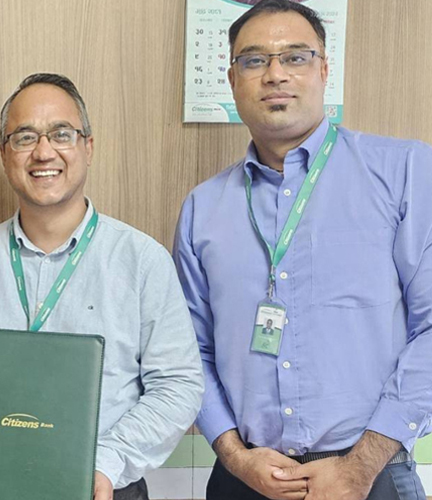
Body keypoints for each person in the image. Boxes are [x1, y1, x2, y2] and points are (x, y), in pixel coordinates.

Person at [173, 1, 432, 499]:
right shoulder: (203, 208)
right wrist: (235, 456)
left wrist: (361, 465)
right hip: (245, 478)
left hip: (372, 474)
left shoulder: (403, 172)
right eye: (254, 60)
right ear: (232, 80)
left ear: (324, 70)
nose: (275, 74)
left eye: (295, 57)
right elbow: (190, 352)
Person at [0, 73, 204, 500]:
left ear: (88, 147)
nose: (43, 152)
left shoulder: (142, 260)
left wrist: (106, 462)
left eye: (61, 134)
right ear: (4, 154)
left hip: (104, 487)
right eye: (25, 137)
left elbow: (178, 385)